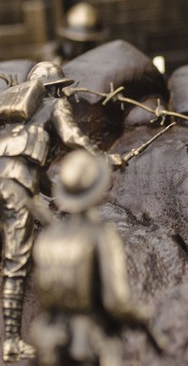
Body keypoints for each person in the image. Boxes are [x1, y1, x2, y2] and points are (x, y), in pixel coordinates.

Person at [0, 62, 122, 362]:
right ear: (54, 89)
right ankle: (11, 342)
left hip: (8, 179)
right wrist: (102, 158)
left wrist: (57, 196)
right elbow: (71, 137)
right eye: (61, 89)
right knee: (16, 260)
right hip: (15, 187)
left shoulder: (16, 122)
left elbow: (33, 171)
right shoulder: (55, 106)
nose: (64, 94)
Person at [30, 150, 155, 366]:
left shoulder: (48, 237)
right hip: (86, 342)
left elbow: (41, 290)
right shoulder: (100, 236)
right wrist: (143, 315)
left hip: (48, 339)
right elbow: (114, 302)